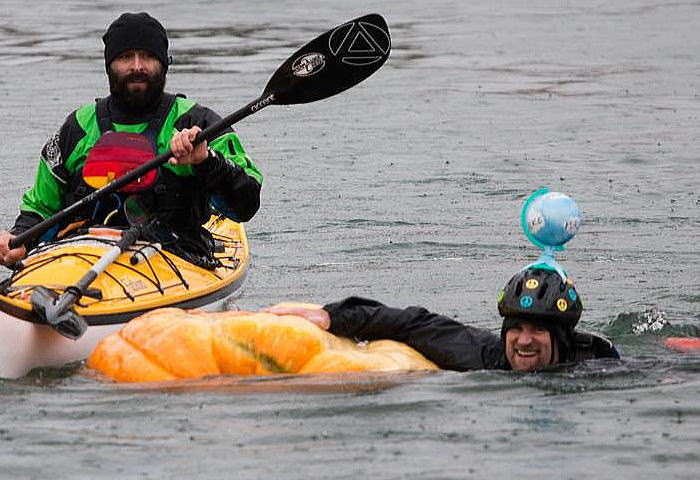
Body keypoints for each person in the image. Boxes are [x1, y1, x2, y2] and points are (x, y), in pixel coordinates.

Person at [0, 12, 262, 268]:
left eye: (148, 56)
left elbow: (246, 205)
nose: (137, 66)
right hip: (79, 255)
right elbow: (42, 205)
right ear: (109, 66)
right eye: (126, 57)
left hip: (175, 256)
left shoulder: (197, 122)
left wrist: (207, 161)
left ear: (164, 64)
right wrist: (21, 236)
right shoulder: (77, 127)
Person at [263, 266, 620, 372]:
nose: (524, 341)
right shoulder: (481, 355)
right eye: (517, 329)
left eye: (538, 330)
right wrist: (332, 316)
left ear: (560, 337)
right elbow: (412, 323)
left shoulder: (595, 362)